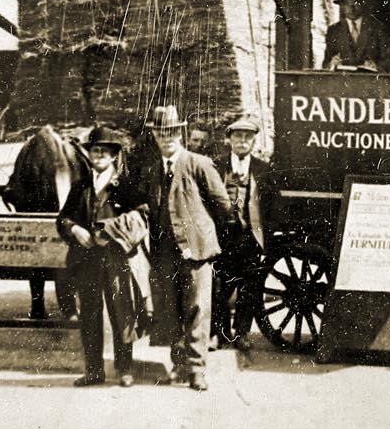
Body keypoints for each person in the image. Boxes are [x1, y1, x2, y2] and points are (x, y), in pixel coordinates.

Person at [140, 104, 234, 391]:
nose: (166, 138)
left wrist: (203, 234)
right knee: (170, 310)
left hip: (196, 251)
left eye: (170, 133)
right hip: (165, 252)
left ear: (179, 134)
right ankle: (178, 364)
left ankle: (196, 369)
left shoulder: (198, 164)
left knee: (196, 309)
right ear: (154, 136)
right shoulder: (151, 169)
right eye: (160, 133)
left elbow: (223, 205)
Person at [57, 125, 149, 387]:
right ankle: (94, 370)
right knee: (89, 314)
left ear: (113, 156)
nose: (98, 156)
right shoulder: (81, 185)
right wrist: (75, 230)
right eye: (95, 151)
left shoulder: (125, 184)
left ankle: (124, 369)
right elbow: (63, 218)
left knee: (122, 312)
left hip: (115, 258)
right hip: (86, 260)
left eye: (104, 152)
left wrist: (110, 230)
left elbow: (141, 215)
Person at [0, 129, 76, 322]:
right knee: (61, 258)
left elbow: (16, 189)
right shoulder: (57, 148)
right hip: (60, 217)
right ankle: (68, 307)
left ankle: (38, 305)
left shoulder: (28, 150)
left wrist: (6, 192)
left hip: (37, 217)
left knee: (37, 262)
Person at [210, 113, 268, 352]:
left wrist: (267, 237)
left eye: (247, 137)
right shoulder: (216, 166)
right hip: (222, 238)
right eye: (238, 136)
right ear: (230, 140)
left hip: (250, 238)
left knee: (249, 288)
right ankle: (219, 334)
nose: (242, 141)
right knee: (219, 287)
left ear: (253, 141)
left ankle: (242, 333)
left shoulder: (263, 169)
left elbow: (271, 205)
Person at [323, 0, 390, 72]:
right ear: (342, 6)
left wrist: (376, 66)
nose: (351, 8)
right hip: (342, 81)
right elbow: (326, 63)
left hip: (371, 81)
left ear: (363, 5)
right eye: (347, 4)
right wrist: (332, 64)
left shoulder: (377, 28)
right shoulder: (334, 30)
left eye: (356, 3)